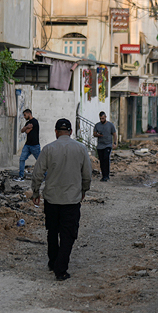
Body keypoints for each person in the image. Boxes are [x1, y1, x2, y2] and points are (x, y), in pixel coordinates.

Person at [32, 119, 92, 282]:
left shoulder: (48, 149)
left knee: (52, 231)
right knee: (68, 234)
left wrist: (35, 191)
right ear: (71, 132)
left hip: (51, 199)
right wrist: (84, 190)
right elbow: (87, 174)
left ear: (56, 132)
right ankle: (61, 269)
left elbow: (38, 173)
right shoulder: (81, 149)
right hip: (71, 200)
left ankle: (53, 262)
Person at [15, 109, 40, 182]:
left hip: (35, 145)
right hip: (27, 145)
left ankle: (46, 176)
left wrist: (27, 129)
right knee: (22, 159)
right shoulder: (28, 123)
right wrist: (26, 127)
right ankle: (21, 176)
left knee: (40, 161)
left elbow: (28, 131)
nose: (24, 117)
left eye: (25, 115)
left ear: (29, 114)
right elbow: (23, 130)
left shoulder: (35, 122)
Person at [93, 112, 117, 182]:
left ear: (105, 117)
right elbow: (94, 134)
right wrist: (98, 135)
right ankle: (103, 175)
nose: (102, 120)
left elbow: (114, 134)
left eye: (103, 118)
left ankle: (107, 175)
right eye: (100, 118)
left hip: (108, 145)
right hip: (100, 146)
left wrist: (114, 143)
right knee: (102, 161)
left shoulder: (110, 125)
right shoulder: (97, 125)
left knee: (106, 159)